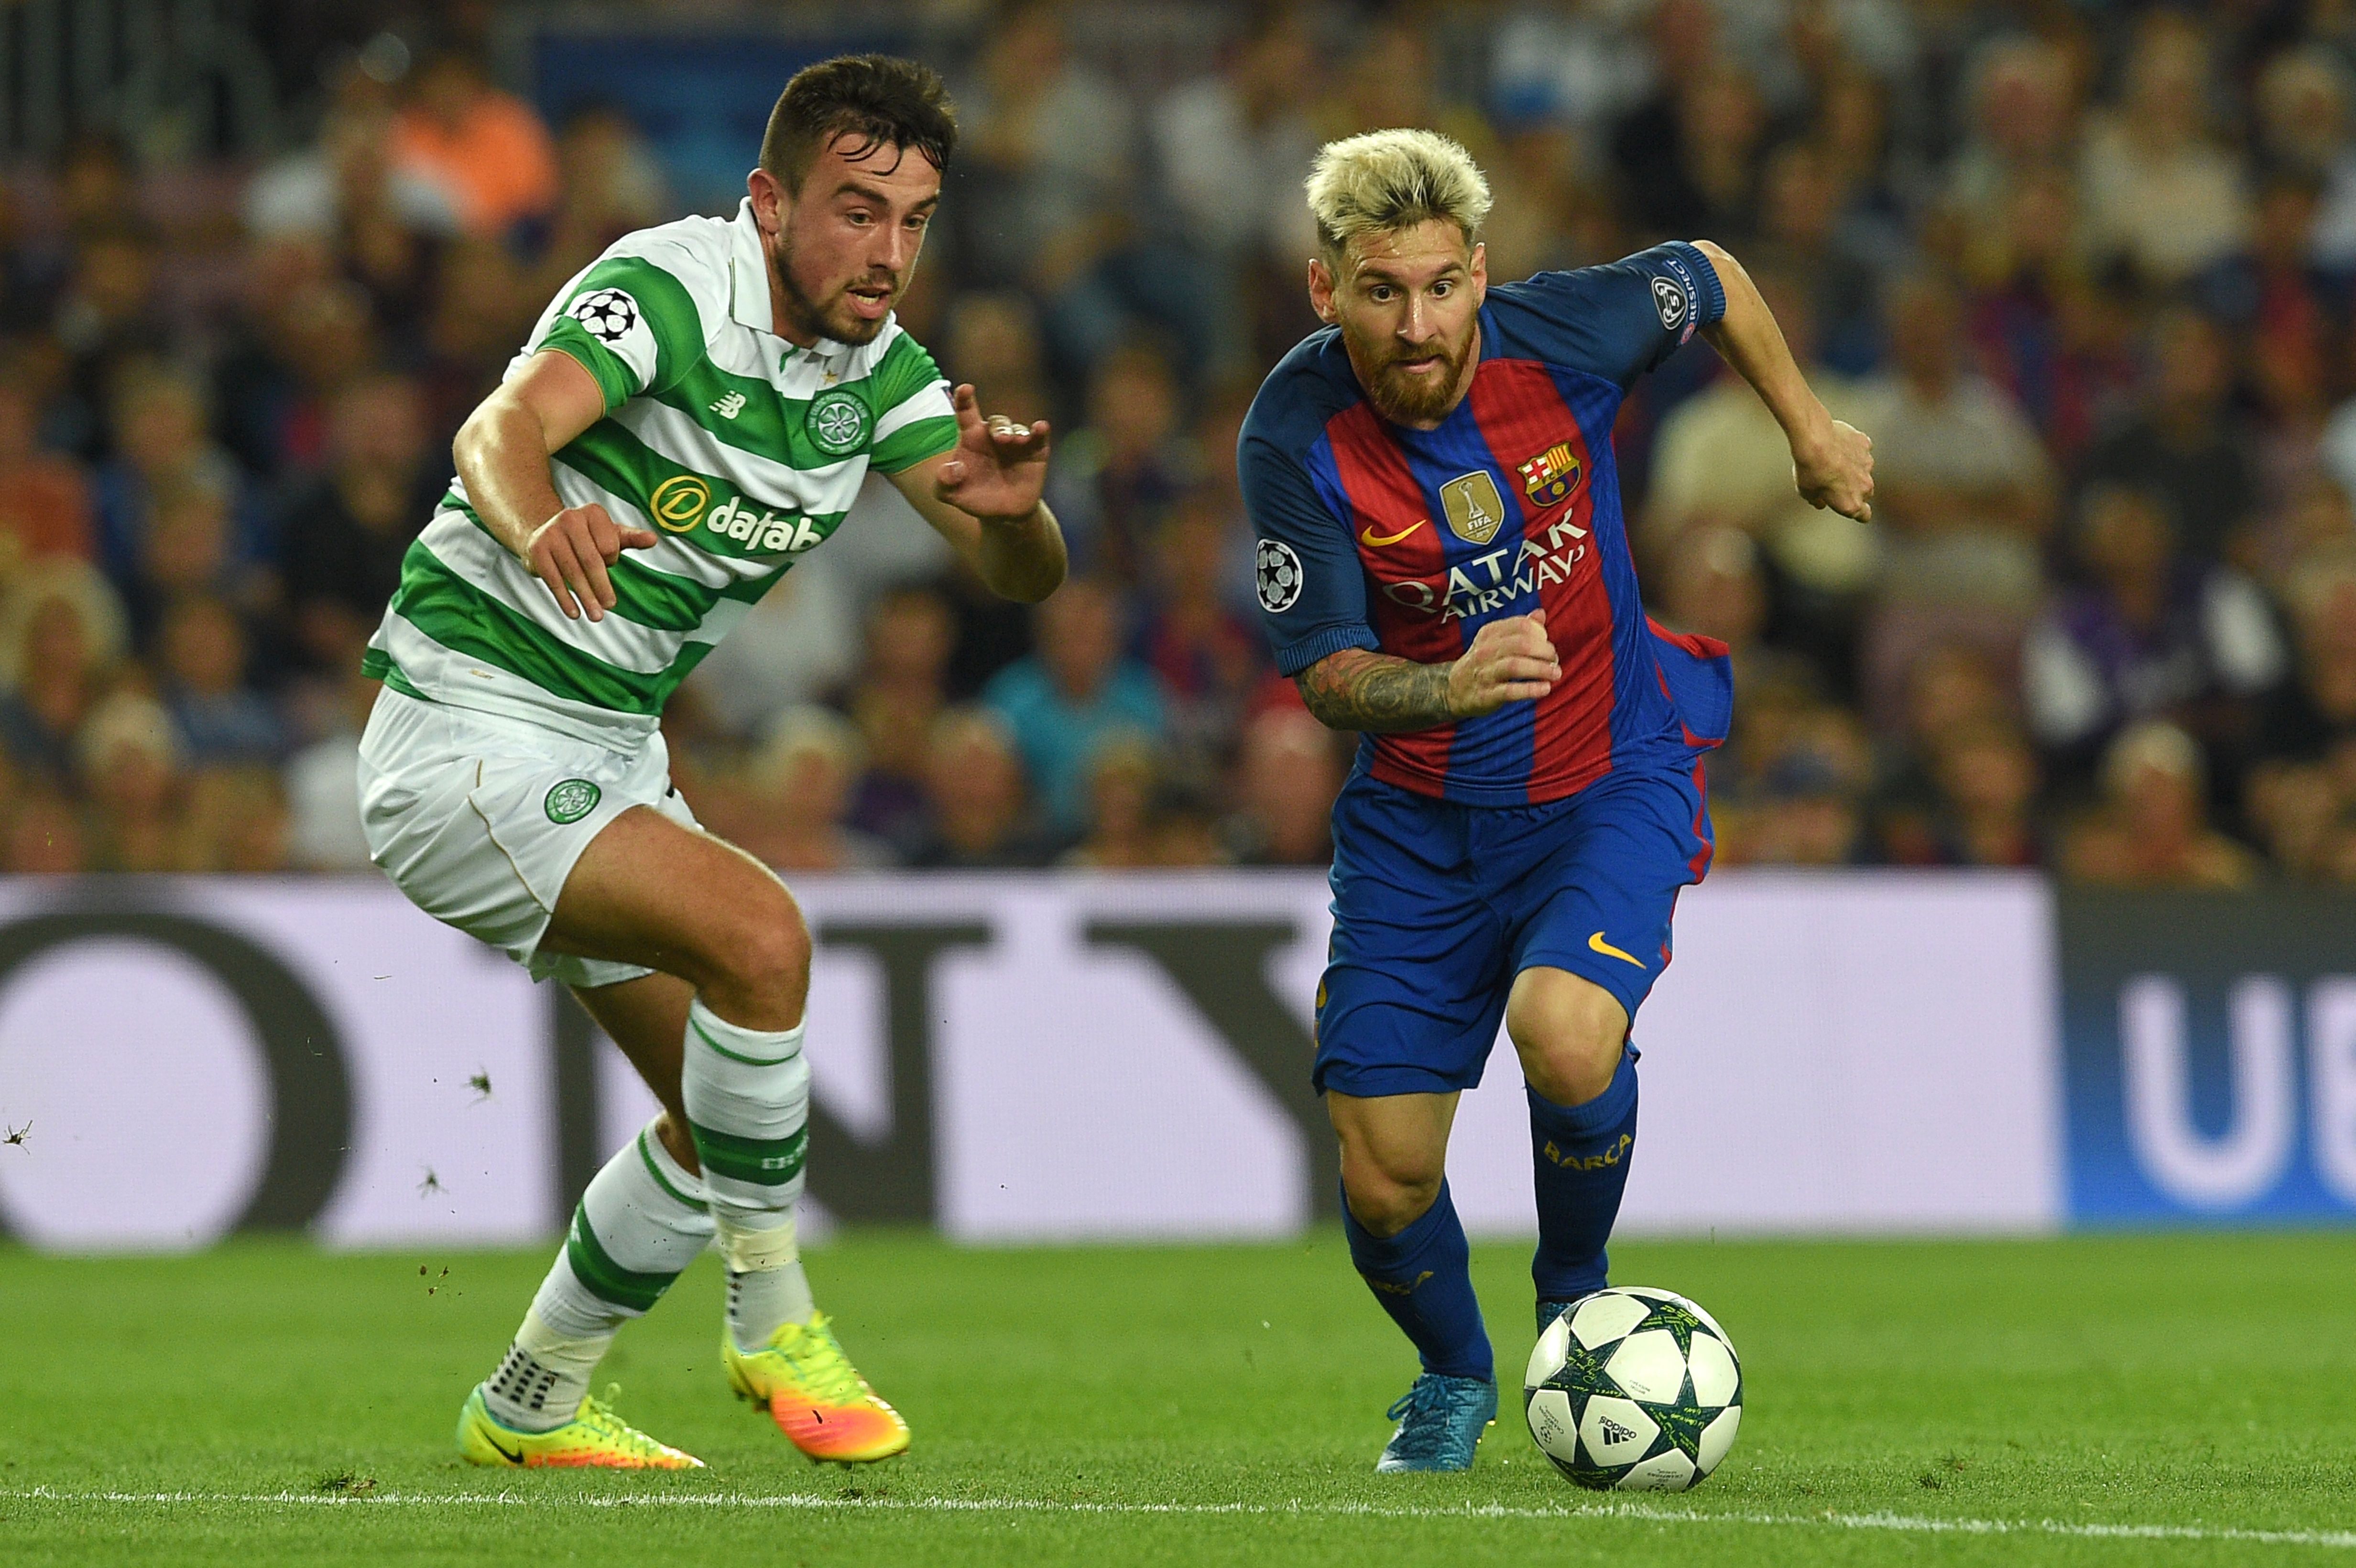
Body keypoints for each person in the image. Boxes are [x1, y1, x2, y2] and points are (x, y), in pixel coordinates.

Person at [355, 56, 1066, 1471]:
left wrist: (1015, 519)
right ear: (768, 201)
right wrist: (537, 517)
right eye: (857, 211)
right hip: (468, 723)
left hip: (612, 745)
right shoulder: (672, 290)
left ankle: (531, 1401)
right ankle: (771, 1314)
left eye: (915, 220)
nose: (888, 252)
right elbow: (500, 430)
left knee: (715, 1124)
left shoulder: (884, 376)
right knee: (763, 938)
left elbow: (1022, 579)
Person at [1239, 129, 1871, 1471]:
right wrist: (1453, 687)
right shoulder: (1293, 435)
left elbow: (1706, 273)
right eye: (1379, 292)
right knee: (1383, 1167)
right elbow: (1328, 674)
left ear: (1482, 272)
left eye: (1440, 287)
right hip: (1419, 825)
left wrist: (1808, 431)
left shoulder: (1566, 333)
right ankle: (1456, 1375)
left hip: (1608, 773)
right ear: (1324, 290)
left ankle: (1573, 1307)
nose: (1417, 325)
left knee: (1567, 1033)